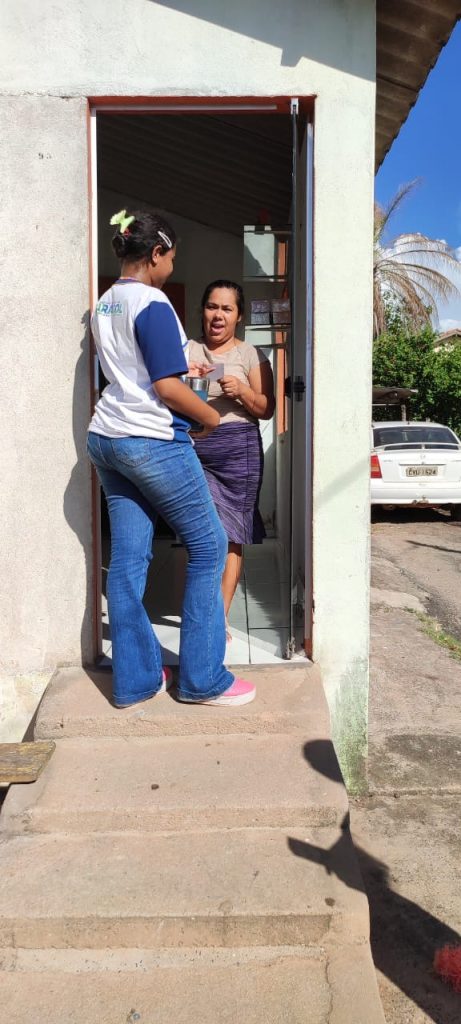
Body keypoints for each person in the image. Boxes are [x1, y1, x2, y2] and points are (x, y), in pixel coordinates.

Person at [87, 211, 255, 708]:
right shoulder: (154, 301)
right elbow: (164, 388)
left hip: (107, 436)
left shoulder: (106, 303)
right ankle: (203, 679)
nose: (172, 265)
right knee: (208, 546)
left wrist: (188, 361)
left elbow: (134, 365)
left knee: (129, 558)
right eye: (172, 256)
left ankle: (135, 680)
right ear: (156, 254)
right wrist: (209, 418)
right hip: (149, 439)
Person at [189, 280, 275, 637]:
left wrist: (241, 391)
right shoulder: (187, 349)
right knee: (198, 531)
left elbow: (267, 408)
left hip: (239, 447)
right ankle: (198, 606)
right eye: (212, 306)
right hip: (193, 446)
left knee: (233, 534)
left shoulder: (252, 356)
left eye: (226, 308)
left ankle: (218, 617)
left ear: (238, 316)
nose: (218, 315)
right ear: (203, 311)